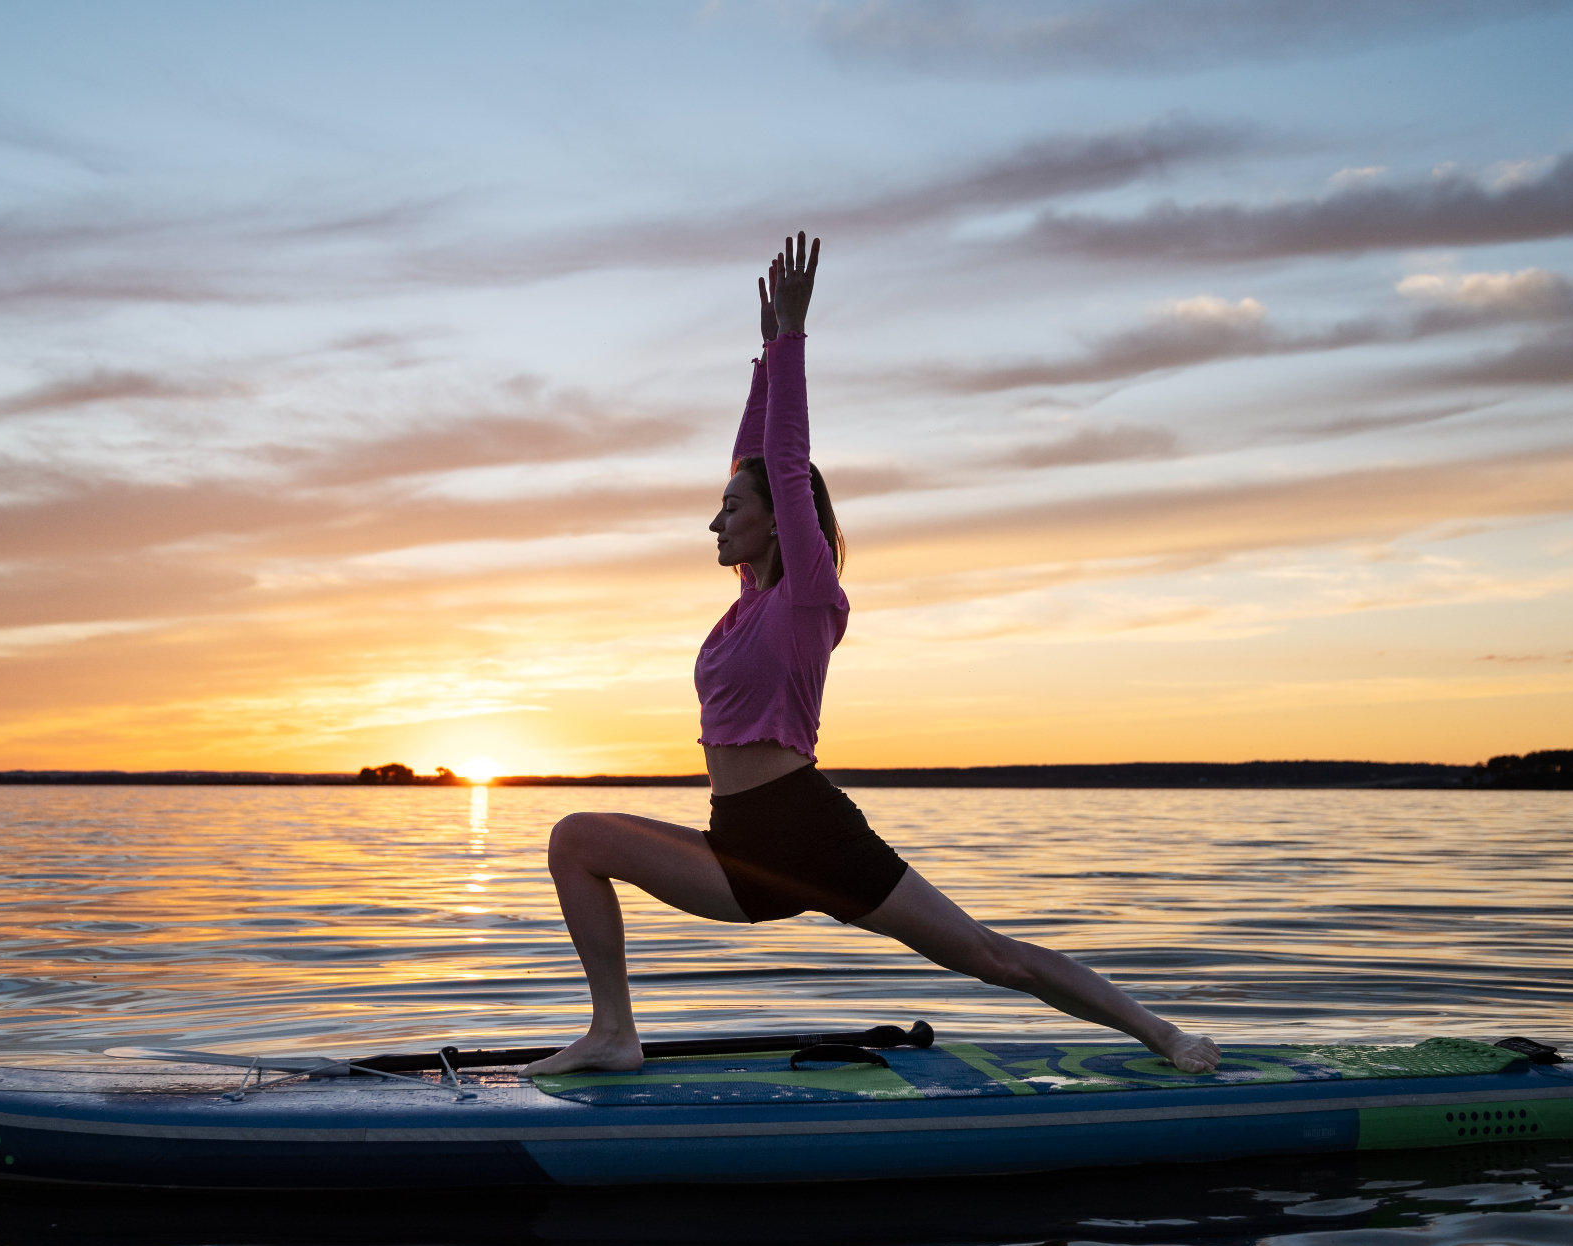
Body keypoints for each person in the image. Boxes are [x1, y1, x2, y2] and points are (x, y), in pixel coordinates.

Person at [522, 233, 1220, 1077]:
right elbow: (755, 460)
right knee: (576, 840)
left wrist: (793, 340)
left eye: (730, 509)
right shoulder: (748, 601)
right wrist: (761, 359)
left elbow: (781, 464)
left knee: (990, 957)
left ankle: (1164, 1033)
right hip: (740, 849)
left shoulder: (806, 597)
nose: (713, 522)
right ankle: (613, 1033)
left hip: (812, 833)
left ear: (781, 519)